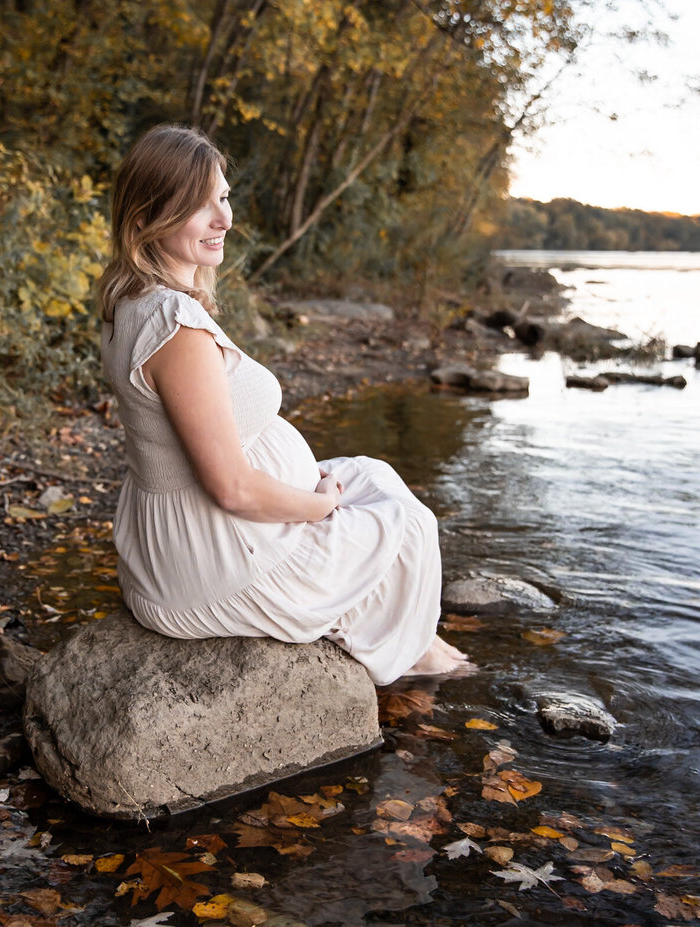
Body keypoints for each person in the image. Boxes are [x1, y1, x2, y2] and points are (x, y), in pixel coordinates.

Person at [96, 124, 468, 685]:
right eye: (200, 206)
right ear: (146, 218)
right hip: (212, 564)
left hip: (185, 541)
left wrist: (302, 487)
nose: (224, 219)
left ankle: (413, 641)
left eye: (222, 196)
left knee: (371, 475)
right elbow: (233, 489)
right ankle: (416, 657)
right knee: (410, 523)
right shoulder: (175, 329)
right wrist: (315, 507)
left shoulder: (135, 302)